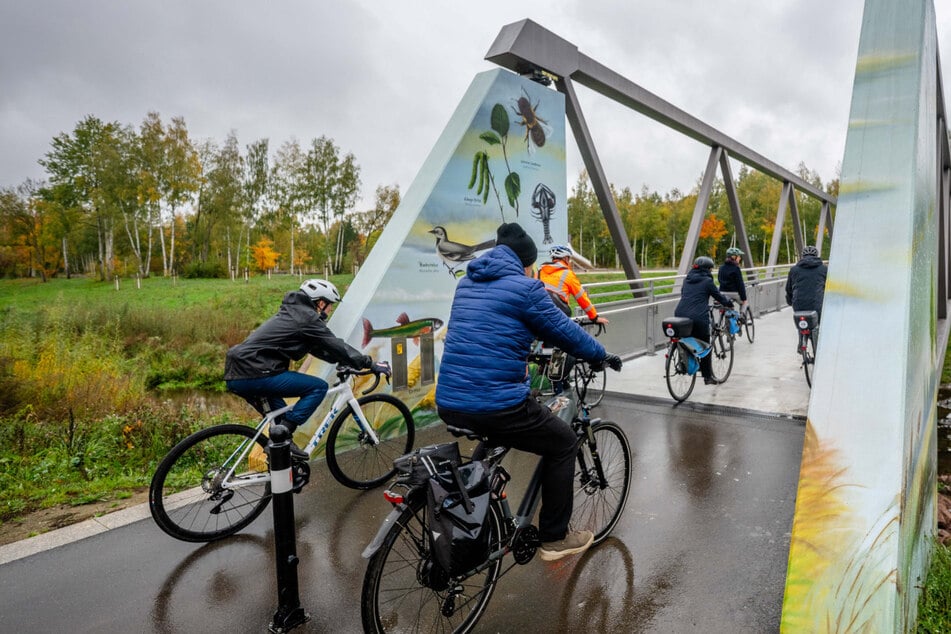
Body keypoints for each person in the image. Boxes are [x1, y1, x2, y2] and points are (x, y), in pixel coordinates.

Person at [435, 222, 622, 562]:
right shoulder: (526, 289)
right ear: (526, 263)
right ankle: (554, 538)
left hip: (450, 401)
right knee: (563, 442)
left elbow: (489, 329)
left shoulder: (466, 284)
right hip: (496, 405)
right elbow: (565, 331)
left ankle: (472, 517)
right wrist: (601, 355)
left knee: (493, 434)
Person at [224, 278, 389, 459]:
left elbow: (319, 349)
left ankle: (282, 457)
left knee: (281, 419)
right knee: (317, 387)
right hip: (255, 372)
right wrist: (370, 363)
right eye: (330, 305)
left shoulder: (294, 314)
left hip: (240, 373)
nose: (330, 310)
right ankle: (283, 435)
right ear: (321, 303)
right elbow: (335, 344)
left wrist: (344, 361)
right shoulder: (307, 318)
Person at [675, 256, 734, 385]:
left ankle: (684, 364)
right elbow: (718, 296)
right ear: (707, 269)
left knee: (684, 341)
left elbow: (686, 294)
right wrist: (729, 303)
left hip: (680, 314)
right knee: (706, 345)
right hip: (698, 317)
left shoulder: (687, 280)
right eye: (711, 269)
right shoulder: (707, 281)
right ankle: (707, 377)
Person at [536, 245, 609, 324]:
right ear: (566, 258)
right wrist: (594, 317)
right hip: (558, 317)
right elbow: (581, 298)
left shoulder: (539, 271)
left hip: (538, 315)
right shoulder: (568, 274)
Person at [785, 245, 827, 322]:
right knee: (820, 322)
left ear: (803, 256)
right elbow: (829, 288)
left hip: (799, 306)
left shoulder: (794, 270)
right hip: (818, 305)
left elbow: (789, 289)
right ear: (816, 256)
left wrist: (789, 301)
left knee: (801, 324)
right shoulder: (824, 269)